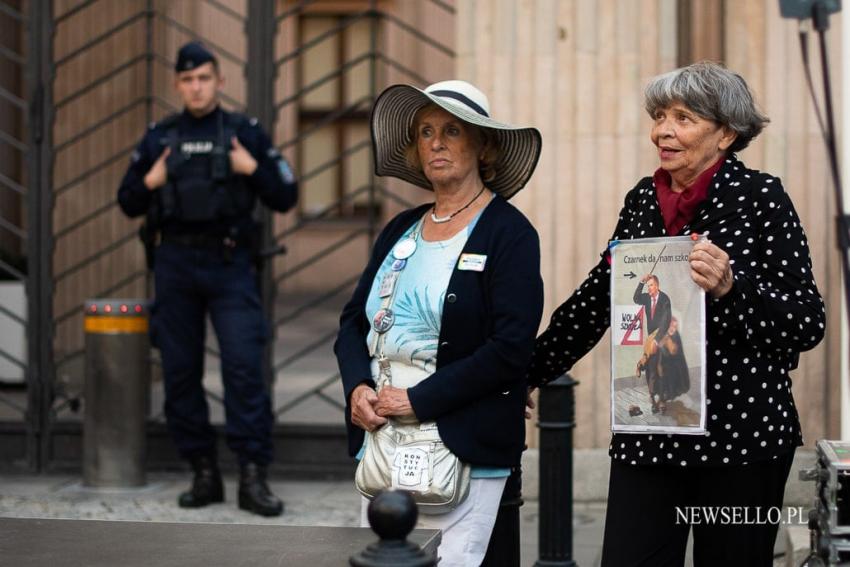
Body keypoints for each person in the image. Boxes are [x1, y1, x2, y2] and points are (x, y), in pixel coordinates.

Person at [527, 61, 825, 566]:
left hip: (742, 440)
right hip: (651, 433)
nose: (663, 130)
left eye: (683, 117)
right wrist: (525, 372)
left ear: (726, 133)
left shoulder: (761, 198)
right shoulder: (642, 200)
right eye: (660, 115)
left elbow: (805, 320)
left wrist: (733, 289)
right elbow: (597, 298)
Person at [334, 80, 543, 566]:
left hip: (464, 445)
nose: (436, 142)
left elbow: (510, 347)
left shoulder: (509, 232)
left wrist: (419, 399)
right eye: (425, 131)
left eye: (452, 130)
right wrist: (357, 388)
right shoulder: (398, 229)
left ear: (483, 144)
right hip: (385, 439)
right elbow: (351, 323)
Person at [117, 41, 297, 517]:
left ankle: (252, 476)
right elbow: (128, 200)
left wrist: (251, 168)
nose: (196, 87)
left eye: (204, 77)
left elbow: (286, 193)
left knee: (242, 367)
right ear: (178, 85)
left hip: (230, 263)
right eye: (188, 79)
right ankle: (203, 472)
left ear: (220, 81)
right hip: (175, 264)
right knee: (179, 372)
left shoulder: (244, 133)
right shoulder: (161, 137)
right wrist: (150, 181)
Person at [633, 274, 672, 413]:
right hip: (650, 340)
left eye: (651, 285)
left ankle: (662, 400)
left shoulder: (665, 299)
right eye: (648, 285)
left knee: (661, 369)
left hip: (661, 339)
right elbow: (636, 298)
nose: (649, 288)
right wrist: (641, 282)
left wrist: (657, 339)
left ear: (657, 286)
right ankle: (653, 400)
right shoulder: (646, 297)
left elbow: (666, 320)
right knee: (651, 371)